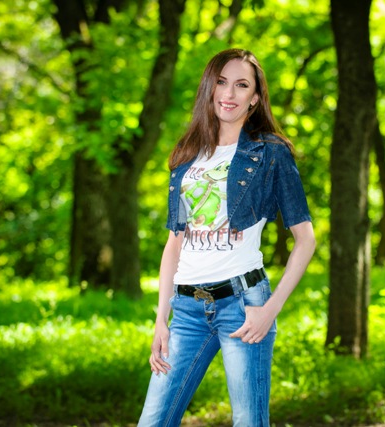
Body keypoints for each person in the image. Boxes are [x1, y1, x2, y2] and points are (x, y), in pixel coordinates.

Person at [137, 48, 316, 427]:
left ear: (255, 98)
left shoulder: (270, 153)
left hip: (244, 304)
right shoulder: (187, 155)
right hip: (186, 310)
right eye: (221, 82)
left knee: (249, 422)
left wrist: (270, 310)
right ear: (209, 87)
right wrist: (161, 319)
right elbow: (174, 244)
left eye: (241, 85)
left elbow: (306, 239)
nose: (229, 93)